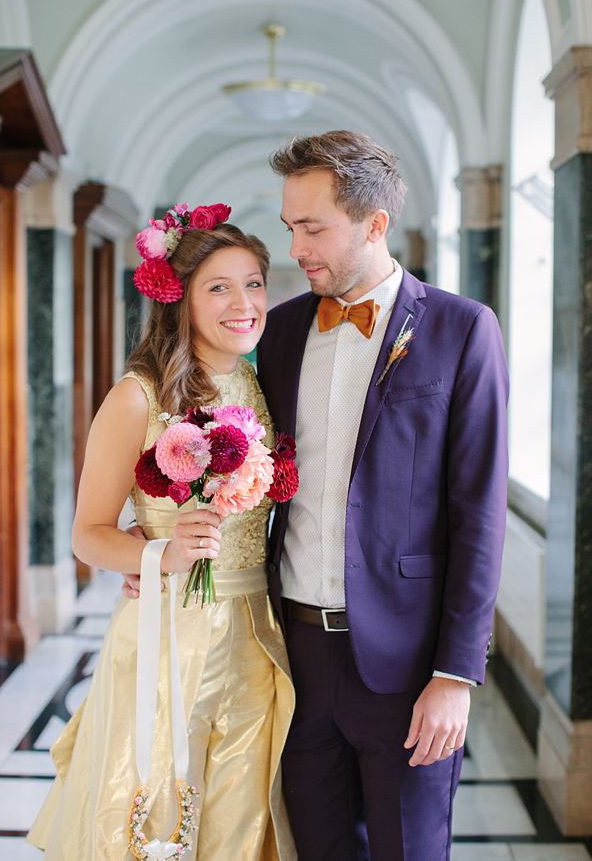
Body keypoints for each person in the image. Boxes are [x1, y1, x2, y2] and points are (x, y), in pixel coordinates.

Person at [255, 131, 509, 861]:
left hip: (407, 663)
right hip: (295, 654)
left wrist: (456, 675)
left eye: (314, 228)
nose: (298, 248)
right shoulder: (280, 333)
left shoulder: (464, 331)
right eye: (290, 228)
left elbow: (479, 514)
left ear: (374, 225)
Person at [27, 210, 296, 861]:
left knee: (238, 818)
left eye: (254, 283)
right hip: (168, 635)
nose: (245, 302)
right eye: (220, 287)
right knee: (159, 815)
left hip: (255, 633)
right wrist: (163, 553)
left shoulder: (256, 382)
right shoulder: (137, 396)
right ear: (179, 299)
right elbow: (88, 536)